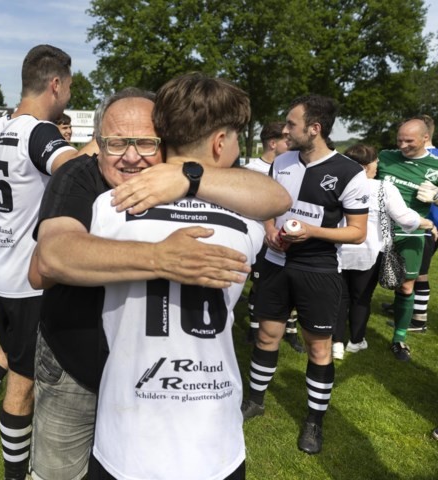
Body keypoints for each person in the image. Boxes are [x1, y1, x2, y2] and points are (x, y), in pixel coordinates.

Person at [28, 88, 291, 479]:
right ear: (96, 144)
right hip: (74, 357)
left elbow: (276, 197)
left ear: (165, 143)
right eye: (116, 142)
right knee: (58, 472)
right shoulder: (82, 180)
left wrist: (190, 176)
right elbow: (45, 264)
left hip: (142, 386)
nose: (131, 156)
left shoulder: (157, 190)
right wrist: (159, 258)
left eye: (146, 143)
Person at [85, 74, 265, 479]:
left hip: (127, 436)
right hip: (214, 440)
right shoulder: (247, 225)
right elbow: (271, 196)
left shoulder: (109, 208)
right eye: (236, 139)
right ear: (221, 143)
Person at [0, 44, 96, 480]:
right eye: (69, 88)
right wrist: (102, 142)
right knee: (23, 383)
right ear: (56, 84)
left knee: (8, 352)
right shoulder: (40, 132)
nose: (68, 96)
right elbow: (74, 172)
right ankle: (15, 474)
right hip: (28, 279)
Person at [242, 94, 370, 455]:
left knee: (318, 347)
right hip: (275, 263)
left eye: (291, 124)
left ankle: (314, 421)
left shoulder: (349, 172)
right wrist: (269, 228)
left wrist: (312, 233)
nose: (285, 130)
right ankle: (254, 401)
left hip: (318, 269)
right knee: (267, 335)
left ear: (315, 129)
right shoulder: (281, 160)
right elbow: (267, 203)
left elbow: (357, 232)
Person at [333, 144, 434, 360]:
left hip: (339, 249)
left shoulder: (338, 183)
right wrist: (429, 224)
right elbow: (406, 218)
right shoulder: (383, 188)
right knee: (361, 298)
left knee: (340, 298)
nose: (379, 165)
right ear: (367, 165)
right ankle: (356, 341)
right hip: (369, 252)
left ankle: (336, 344)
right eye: (376, 162)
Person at [376, 118, 438, 360]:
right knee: (359, 285)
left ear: (425, 138)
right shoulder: (385, 157)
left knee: (405, 285)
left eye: (409, 141)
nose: (402, 145)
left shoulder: (435, 165)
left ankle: (399, 339)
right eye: (399, 139)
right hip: (375, 230)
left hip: (410, 234)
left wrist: (436, 197)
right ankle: (347, 335)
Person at [244, 122, 304, 352]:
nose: (290, 144)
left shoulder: (295, 167)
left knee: (292, 285)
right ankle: (253, 326)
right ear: (272, 143)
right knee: (260, 285)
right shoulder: (250, 170)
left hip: (288, 238)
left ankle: (290, 331)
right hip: (260, 238)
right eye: (285, 140)